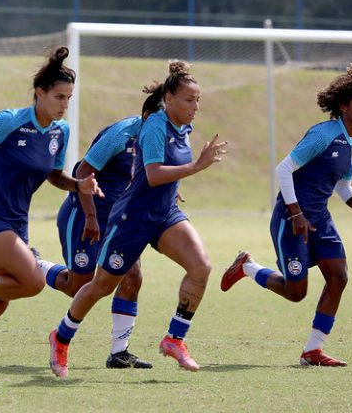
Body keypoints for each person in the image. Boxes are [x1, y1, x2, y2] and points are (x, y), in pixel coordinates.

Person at [0, 46, 103, 389]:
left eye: (68, 98)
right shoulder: (10, 122)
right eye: (58, 97)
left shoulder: (60, 132)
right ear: (39, 94)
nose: (63, 105)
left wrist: (78, 184)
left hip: (16, 224)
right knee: (33, 282)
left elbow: (54, 176)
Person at [48, 60, 228, 378]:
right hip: (128, 217)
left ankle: (171, 340)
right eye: (190, 99)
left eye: (198, 99)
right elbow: (152, 173)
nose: (196, 107)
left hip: (163, 215)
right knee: (95, 285)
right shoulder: (148, 127)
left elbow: (160, 170)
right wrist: (197, 167)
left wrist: (176, 188)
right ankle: (60, 337)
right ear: (167, 100)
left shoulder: (183, 128)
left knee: (199, 267)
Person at [220, 64, 352, 367]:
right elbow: (283, 169)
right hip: (291, 217)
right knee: (296, 292)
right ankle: (247, 267)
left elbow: (343, 186)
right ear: (343, 106)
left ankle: (313, 351)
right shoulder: (323, 134)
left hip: (320, 219)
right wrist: (296, 213)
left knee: (339, 277)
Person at [36, 88, 164, 370]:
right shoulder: (122, 133)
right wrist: (91, 216)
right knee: (79, 287)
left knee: (132, 277)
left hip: (121, 221)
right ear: (148, 116)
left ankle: (119, 352)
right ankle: (36, 265)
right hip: (84, 214)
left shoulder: (162, 138)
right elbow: (83, 172)